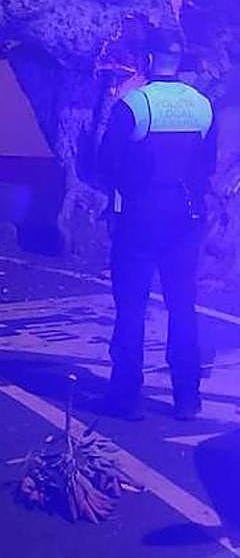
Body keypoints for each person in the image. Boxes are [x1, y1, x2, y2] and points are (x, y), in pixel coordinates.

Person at [97, 27, 217, 421]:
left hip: (140, 215)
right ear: (179, 60)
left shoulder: (135, 104)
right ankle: (187, 397)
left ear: (147, 59)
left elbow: (106, 165)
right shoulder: (202, 105)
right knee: (182, 305)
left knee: (131, 306)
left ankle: (126, 396)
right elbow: (207, 166)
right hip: (186, 217)